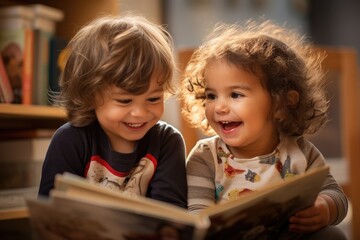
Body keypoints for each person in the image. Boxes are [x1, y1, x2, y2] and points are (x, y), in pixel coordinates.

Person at [181, 20, 348, 239]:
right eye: (211, 96)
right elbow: (196, 215)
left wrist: (324, 208)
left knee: (332, 235)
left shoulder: (300, 151)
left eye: (235, 95)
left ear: (281, 103)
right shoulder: (206, 157)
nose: (219, 107)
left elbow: (337, 195)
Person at [38, 15, 187, 209]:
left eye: (153, 99)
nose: (140, 113)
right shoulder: (70, 140)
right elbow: (51, 210)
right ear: (91, 95)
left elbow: (171, 215)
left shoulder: (168, 142)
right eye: (125, 101)